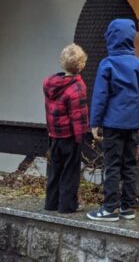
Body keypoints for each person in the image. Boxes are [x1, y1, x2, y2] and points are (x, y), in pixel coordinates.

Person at [87, 18, 139, 221]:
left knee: (112, 165)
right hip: (132, 123)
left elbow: (100, 96)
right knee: (130, 164)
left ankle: (108, 209)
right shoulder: (137, 64)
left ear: (111, 38)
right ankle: (127, 207)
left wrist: (94, 122)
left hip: (112, 124)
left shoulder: (107, 64)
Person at [42, 43, 89, 213]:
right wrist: (80, 138)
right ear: (82, 64)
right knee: (70, 172)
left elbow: (50, 110)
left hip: (54, 134)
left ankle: (51, 202)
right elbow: (78, 116)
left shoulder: (50, 84)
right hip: (70, 136)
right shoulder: (77, 88)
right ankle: (67, 205)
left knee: (55, 169)